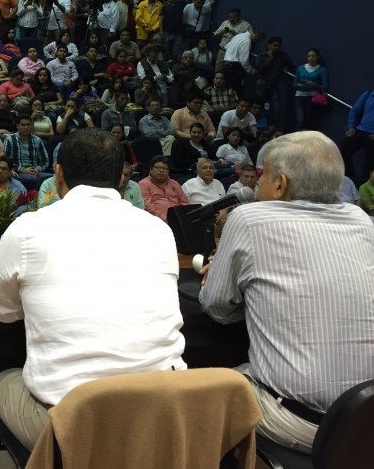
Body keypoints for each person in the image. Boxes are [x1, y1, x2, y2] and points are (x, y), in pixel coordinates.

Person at [0, 129, 186, 453]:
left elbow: (0, 310)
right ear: (121, 178)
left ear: (58, 174)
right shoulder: (159, 230)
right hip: (163, 417)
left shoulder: (28, 228)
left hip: (74, 424)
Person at [200, 131, 374, 454]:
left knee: (206, 390)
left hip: (302, 423)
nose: (257, 184)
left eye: (262, 175)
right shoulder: (362, 221)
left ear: (280, 184)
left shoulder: (249, 218)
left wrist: (223, 278)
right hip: (365, 420)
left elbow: (218, 309)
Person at [138, 155, 188, 222]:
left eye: (164, 168)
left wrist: (184, 216)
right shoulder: (144, 184)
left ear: (168, 171)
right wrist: (164, 219)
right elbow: (148, 207)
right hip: (157, 221)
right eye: (157, 167)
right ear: (151, 169)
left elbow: (184, 202)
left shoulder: (174, 183)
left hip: (179, 219)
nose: (161, 170)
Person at [341, 88, 374, 185]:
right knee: (342, 151)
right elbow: (354, 111)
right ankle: (349, 178)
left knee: (368, 166)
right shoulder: (368, 94)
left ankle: (362, 188)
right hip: (360, 130)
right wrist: (351, 127)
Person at [292, 48, 328, 131]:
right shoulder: (300, 68)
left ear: (318, 57)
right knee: (300, 120)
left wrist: (313, 85)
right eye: (309, 56)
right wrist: (300, 85)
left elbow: (325, 86)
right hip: (300, 96)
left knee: (309, 121)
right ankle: (295, 137)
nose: (311, 58)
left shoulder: (322, 69)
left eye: (313, 56)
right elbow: (294, 84)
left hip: (312, 98)